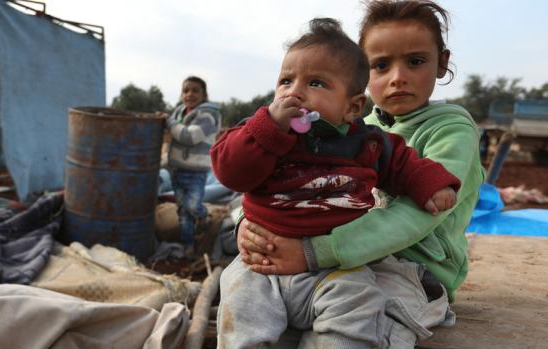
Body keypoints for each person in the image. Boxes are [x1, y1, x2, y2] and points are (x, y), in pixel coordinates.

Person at [237, 0, 485, 347]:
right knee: (263, 306)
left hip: (412, 269)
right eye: (380, 65)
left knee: (370, 327)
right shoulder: (354, 128)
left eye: (415, 61)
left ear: (441, 62)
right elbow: (285, 178)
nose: (397, 77)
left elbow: (419, 214)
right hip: (344, 255)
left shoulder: (451, 132)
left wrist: (314, 252)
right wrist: (248, 227)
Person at [159, 76, 222, 257]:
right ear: (181, 94)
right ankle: (188, 245)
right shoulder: (179, 113)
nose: (190, 94)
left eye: (195, 90)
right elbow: (172, 132)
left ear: (204, 95)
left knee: (193, 206)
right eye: (186, 90)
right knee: (183, 211)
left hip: (196, 172)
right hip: (177, 171)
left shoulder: (208, 115)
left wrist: (169, 123)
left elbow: (189, 136)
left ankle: (203, 216)